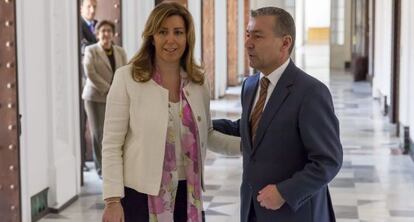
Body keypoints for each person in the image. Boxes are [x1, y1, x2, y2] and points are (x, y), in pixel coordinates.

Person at [101, 2, 239, 222]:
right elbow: (111, 144)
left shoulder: (198, 82)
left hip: (189, 194)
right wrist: (112, 200)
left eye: (178, 32)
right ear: (152, 37)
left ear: (187, 37)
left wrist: (248, 147)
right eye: (163, 32)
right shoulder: (127, 78)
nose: (171, 40)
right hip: (141, 195)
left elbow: (208, 134)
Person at [213, 7, 343, 222]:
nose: (248, 43)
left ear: (285, 43)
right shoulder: (251, 85)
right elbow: (253, 130)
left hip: (296, 213)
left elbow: (328, 160)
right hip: (253, 210)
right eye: (248, 34)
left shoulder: (311, 92)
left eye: (258, 36)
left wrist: (285, 192)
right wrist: (199, 123)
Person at [82, 20, 128, 177]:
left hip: (116, 98)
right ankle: (101, 169)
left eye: (109, 30)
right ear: (97, 33)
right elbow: (91, 72)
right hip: (95, 97)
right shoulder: (91, 50)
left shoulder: (120, 52)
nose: (106, 34)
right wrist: (109, 89)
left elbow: (125, 72)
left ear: (113, 33)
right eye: (103, 31)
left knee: (115, 132)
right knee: (98, 133)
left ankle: (115, 166)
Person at [79, 0, 98, 173]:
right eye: (89, 7)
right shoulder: (78, 25)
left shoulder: (97, 26)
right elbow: (84, 48)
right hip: (83, 82)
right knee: (81, 121)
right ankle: (82, 160)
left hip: (96, 83)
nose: (92, 10)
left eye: (94, 7)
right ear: (81, 8)